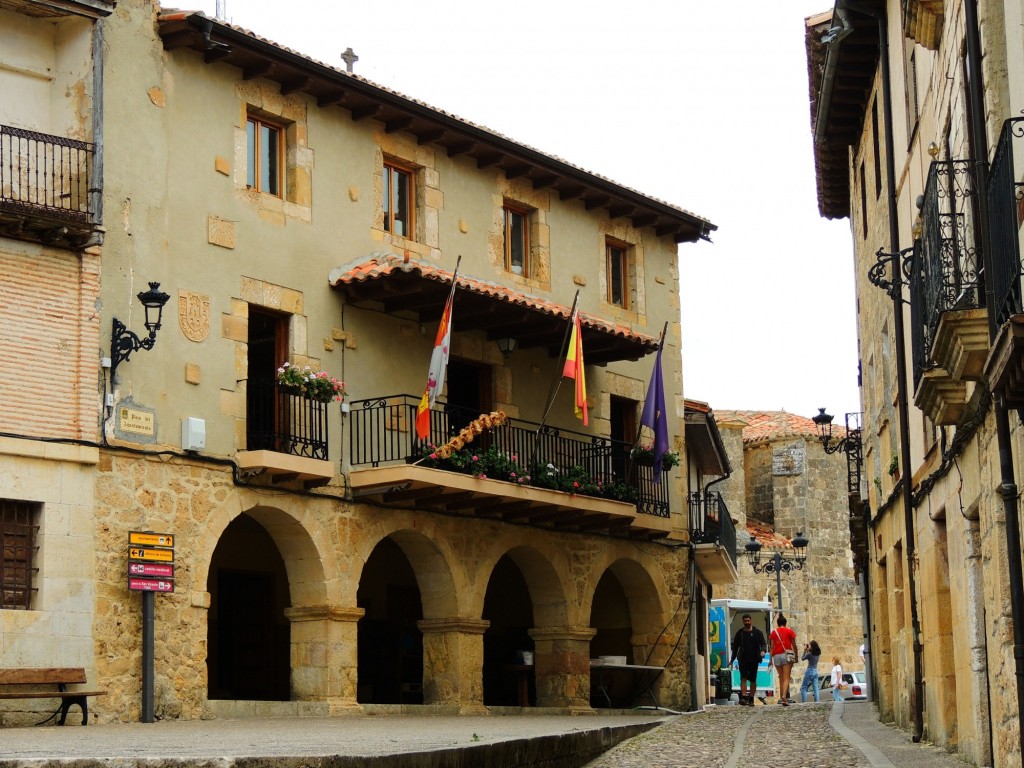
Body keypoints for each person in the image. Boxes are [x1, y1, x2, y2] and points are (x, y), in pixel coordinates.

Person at [729, 613, 767, 707]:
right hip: (743, 660)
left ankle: (751, 699)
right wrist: (732, 660)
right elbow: (735, 647)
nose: (747, 622)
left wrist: (763, 651)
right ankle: (743, 697)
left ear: (751, 620)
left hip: (754, 660)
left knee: (753, 680)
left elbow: (763, 643)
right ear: (743, 621)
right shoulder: (740, 633)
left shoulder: (757, 632)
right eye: (745, 621)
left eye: (748, 620)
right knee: (743, 678)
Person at [769, 614, 797, 706]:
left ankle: (782, 697)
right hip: (786, 655)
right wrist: (796, 656)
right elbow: (794, 645)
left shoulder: (774, 633)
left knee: (781, 677)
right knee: (786, 677)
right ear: (785, 623)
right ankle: (784, 696)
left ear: (777, 623)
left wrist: (770, 660)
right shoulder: (790, 632)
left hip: (776, 656)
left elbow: (771, 647)